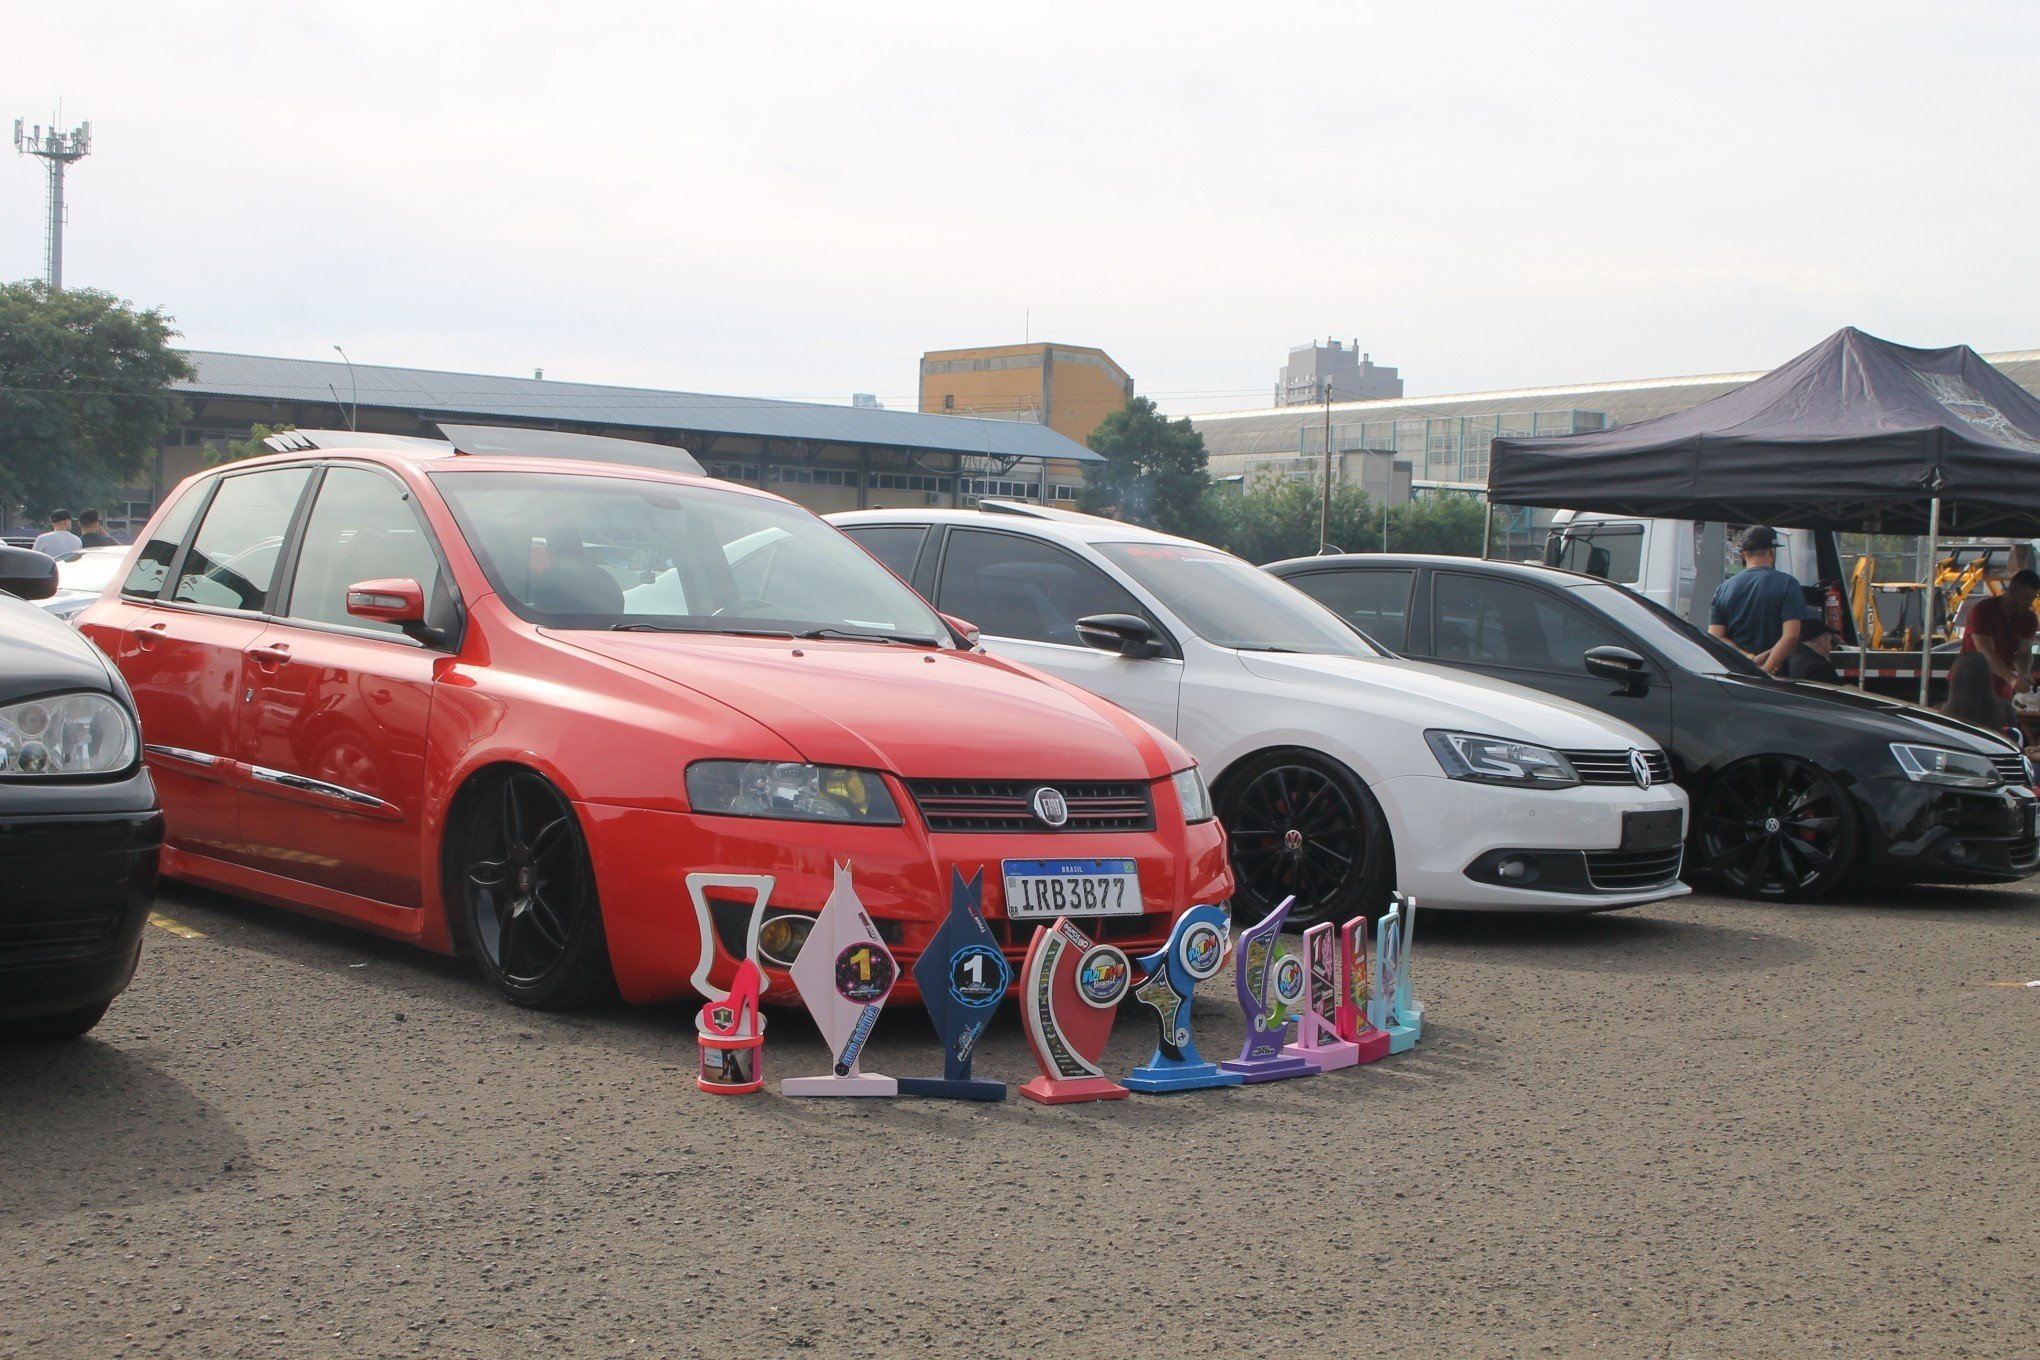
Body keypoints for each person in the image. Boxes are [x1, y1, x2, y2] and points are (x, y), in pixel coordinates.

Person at [1709, 526, 1811, 674]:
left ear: (1743, 555)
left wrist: (1749, 658)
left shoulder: (1723, 588)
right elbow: (1791, 635)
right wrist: (1766, 669)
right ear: (1772, 551)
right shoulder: (1788, 584)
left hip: (1736, 675)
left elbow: (1715, 637)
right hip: (1775, 678)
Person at [1959, 568, 2038, 703]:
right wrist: (2012, 678)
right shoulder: (1982, 611)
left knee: (2005, 720)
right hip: (1969, 683)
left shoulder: (2029, 618)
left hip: (2001, 686)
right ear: (2012, 590)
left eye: (2033, 598)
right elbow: (1985, 652)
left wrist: (2024, 674)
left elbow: (2023, 653)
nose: (2029, 604)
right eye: (2026, 598)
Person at [1943, 649, 2014, 733]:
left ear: (1955, 680)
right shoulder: (2004, 709)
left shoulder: (1944, 714)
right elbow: (2014, 739)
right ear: (1988, 678)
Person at [1784, 615, 1841, 682]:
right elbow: (1838, 690)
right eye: (1830, 641)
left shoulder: (1788, 656)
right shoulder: (1820, 667)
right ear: (1821, 641)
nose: (1831, 647)